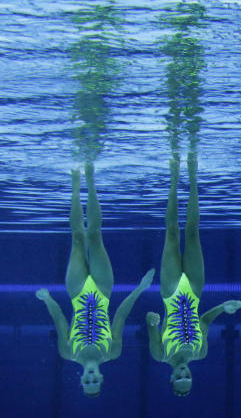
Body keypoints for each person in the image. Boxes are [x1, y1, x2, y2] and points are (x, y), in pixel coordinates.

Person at [36, 162, 155, 397]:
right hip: (102, 291)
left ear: (81, 380)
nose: (91, 378)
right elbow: (120, 315)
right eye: (95, 381)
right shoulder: (113, 352)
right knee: (95, 236)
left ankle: (75, 183)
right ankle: (90, 179)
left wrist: (48, 300)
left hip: (77, 291)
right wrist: (140, 288)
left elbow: (60, 321)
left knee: (77, 238)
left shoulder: (67, 352)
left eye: (87, 382)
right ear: (101, 378)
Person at [146, 151, 241, 396]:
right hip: (195, 291)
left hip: (169, 292)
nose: (182, 373)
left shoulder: (160, 355)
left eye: (178, 377)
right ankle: (192, 174)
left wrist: (153, 321)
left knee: (171, 233)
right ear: (191, 375)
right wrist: (224, 306)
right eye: (187, 377)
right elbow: (205, 321)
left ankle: (174, 176)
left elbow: (149, 320)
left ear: (171, 378)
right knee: (192, 232)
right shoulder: (200, 353)